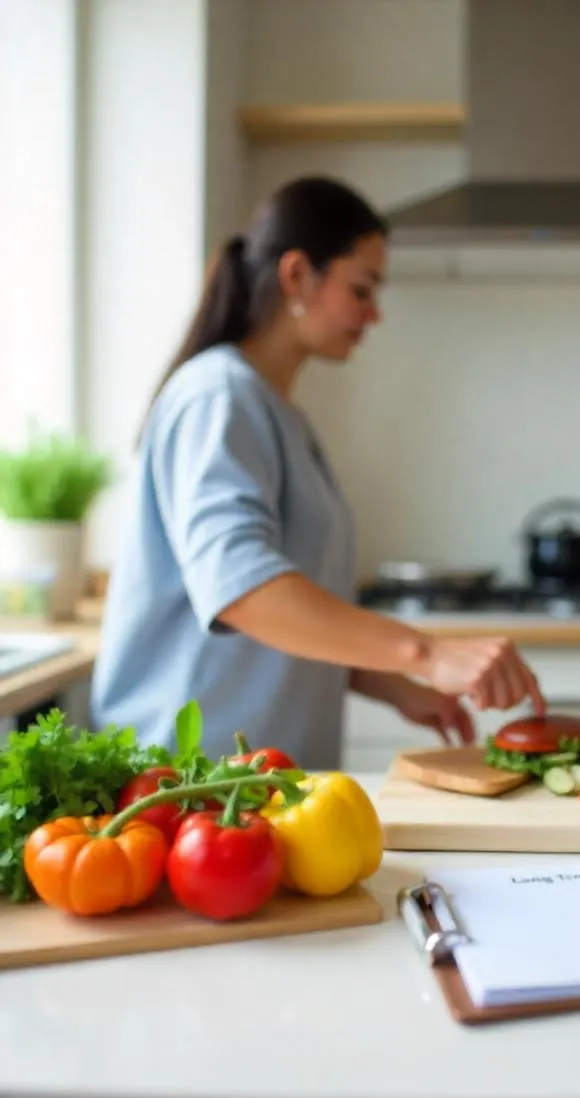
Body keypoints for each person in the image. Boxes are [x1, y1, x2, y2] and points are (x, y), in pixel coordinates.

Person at [90, 176, 545, 768]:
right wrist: (427, 653)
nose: (374, 314)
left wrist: (395, 685)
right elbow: (242, 591)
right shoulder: (219, 396)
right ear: (298, 274)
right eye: (362, 289)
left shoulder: (277, 412)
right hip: (183, 783)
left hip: (253, 781)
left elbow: (291, 622)